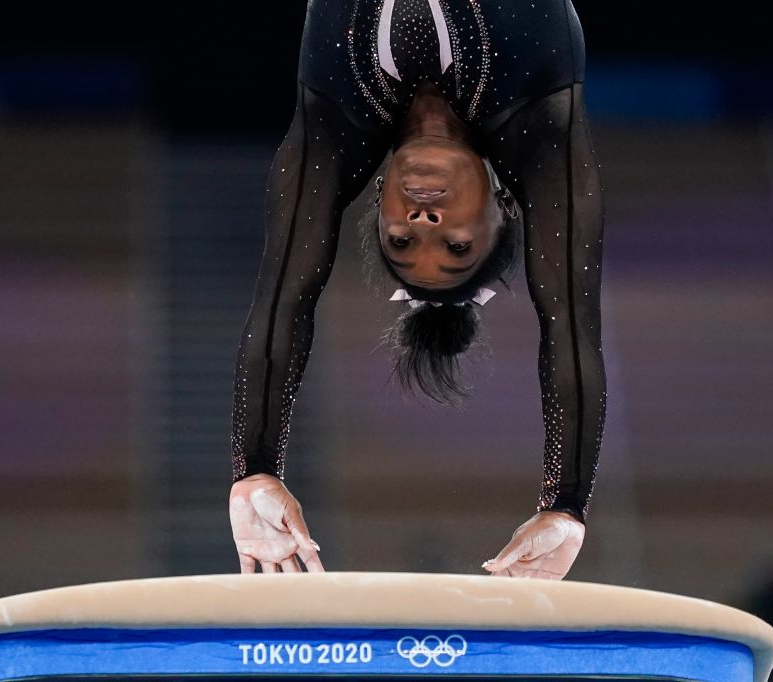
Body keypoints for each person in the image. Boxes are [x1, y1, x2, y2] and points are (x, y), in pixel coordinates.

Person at [229, 0, 606, 580]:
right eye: (457, 248)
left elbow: (285, 294)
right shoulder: (539, 118)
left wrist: (255, 468)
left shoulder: (337, 120)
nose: (423, 227)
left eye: (399, 242)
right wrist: (565, 503)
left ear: (378, 203)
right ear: (504, 209)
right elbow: (569, 321)